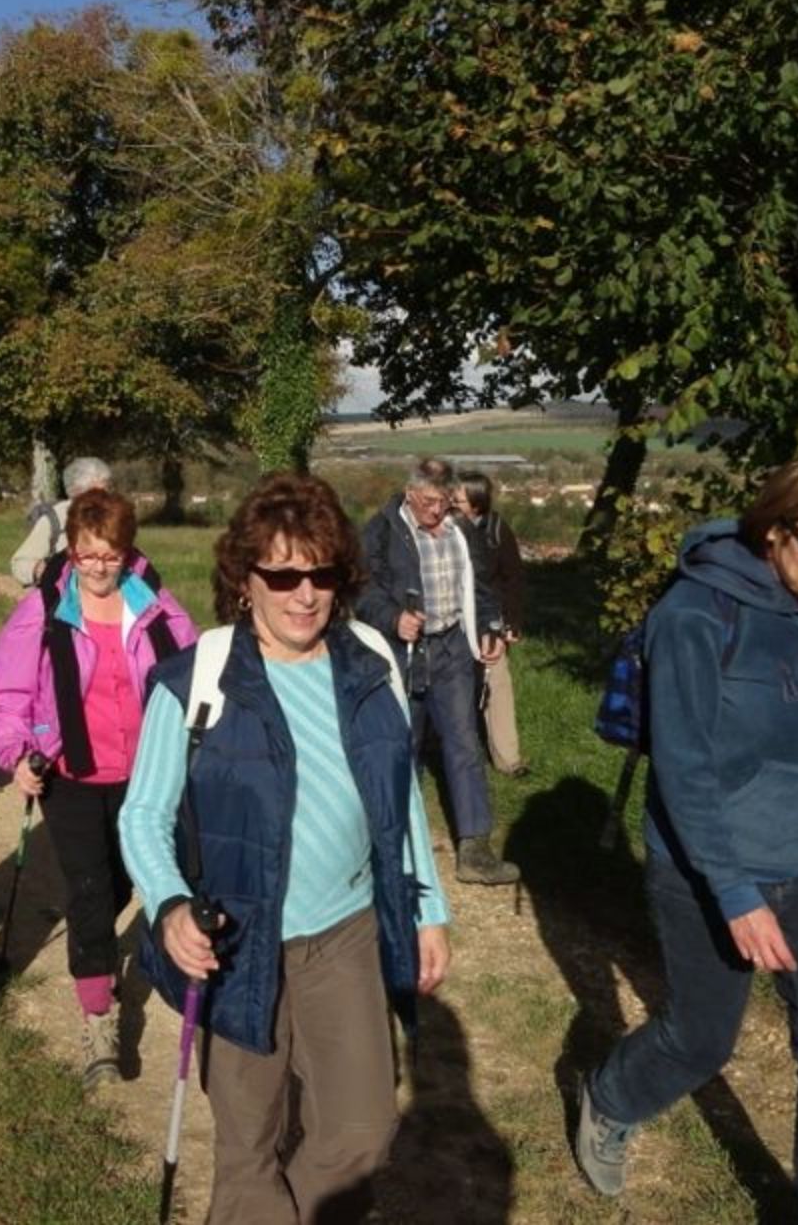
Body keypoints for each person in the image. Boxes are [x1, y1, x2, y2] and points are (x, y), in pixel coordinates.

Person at [121, 473, 451, 1224]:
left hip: (345, 932)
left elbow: (398, 796)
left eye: (322, 574)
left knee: (362, 1131)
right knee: (248, 1150)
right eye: (282, 575)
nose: (305, 595)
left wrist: (429, 907)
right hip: (237, 943)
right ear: (245, 581)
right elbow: (142, 815)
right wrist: (170, 906)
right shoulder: (197, 681)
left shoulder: (369, 661)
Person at [575, 457, 798, 1223]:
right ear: (774, 529)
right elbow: (683, 771)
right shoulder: (694, 614)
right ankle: (611, 1097)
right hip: (707, 866)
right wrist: (737, 894)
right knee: (702, 1039)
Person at [0, 487, 197, 1084]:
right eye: (87, 555)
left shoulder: (156, 606)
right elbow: (9, 694)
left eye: (111, 555)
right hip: (71, 775)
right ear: (70, 549)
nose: (99, 568)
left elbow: (195, 672)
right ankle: (98, 1015)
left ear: (129, 551)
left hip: (146, 778)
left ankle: (102, 949)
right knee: (91, 889)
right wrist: (17, 753)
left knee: (129, 881)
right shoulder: (45, 609)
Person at [355, 458, 516, 886]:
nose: (437, 509)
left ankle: (475, 851)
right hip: (405, 652)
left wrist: (489, 627)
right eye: (428, 501)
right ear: (410, 494)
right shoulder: (382, 530)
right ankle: (392, 844)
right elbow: (362, 589)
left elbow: (481, 585)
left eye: (444, 501)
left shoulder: (460, 528)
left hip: (452, 648)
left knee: (464, 742)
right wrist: (393, 618)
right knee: (401, 744)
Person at [456, 469, 527, 776]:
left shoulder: (498, 531)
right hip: (454, 618)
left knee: (496, 685)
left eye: (458, 499)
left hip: (490, 621)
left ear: (476, 502)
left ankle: (508, 759)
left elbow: (513, 579)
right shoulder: (444, 528)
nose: (452, 503)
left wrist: (511, 622)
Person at [9, 456, 112, 586]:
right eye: (97, 494)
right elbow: (20, 563)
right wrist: (40, 569)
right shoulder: (56, 518)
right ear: (76, 493)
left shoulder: (114, 517)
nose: (105, 500)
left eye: (107, 492)